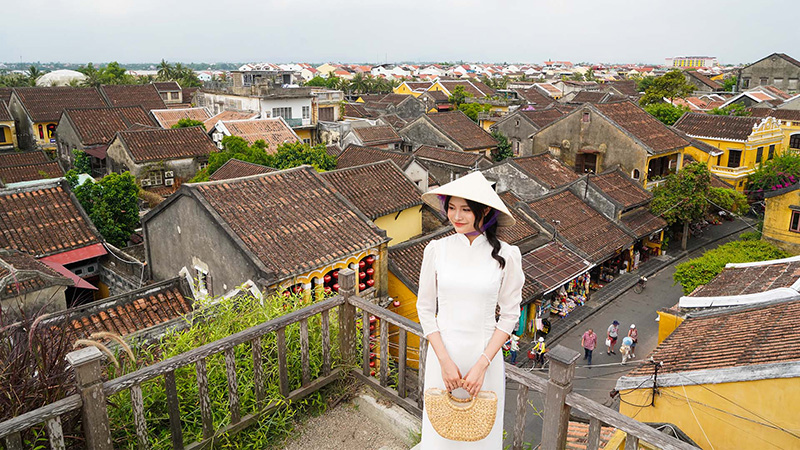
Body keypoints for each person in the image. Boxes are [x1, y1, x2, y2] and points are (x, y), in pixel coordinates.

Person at [416, 171, 524, 448]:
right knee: (440, 436)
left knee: (481, 436)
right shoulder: (437, 250)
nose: (456, 216)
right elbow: (425, 308)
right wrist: (444, 361)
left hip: (484, 361)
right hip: (443, 358)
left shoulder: (507, 256)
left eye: (465, 209)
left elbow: (510, 314)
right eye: (451, 207)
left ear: (485, 211)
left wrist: (481, 365)